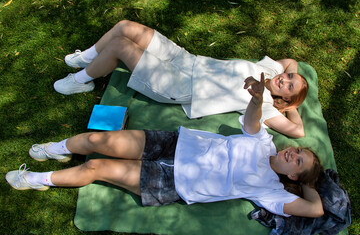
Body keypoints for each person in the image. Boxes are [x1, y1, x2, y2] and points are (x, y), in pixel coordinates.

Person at [6, 74, 324, 218]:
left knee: (95, 166)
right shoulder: (264, 143)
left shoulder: (272, 191)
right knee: (95, 140)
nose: (292, 153)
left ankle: (36, 180)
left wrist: (310, 183)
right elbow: (253, 123)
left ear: (294, 178)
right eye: (298, 151)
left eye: (298, 162)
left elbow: (315, 209)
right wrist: (257, 99)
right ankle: (56, 148)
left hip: (174, 183)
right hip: (174, 144)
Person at [53, 20, 307, 138]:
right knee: (126, 27)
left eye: (289, 86)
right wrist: (288, 80)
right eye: (289, 77)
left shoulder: (266, 106)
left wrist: (291, 106)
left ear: (285, 97)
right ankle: (88, 59)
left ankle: (80, 81)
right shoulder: (271, 71)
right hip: (187, 60)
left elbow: (297, 131)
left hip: (179, 86)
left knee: (121, 45)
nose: (284, 79)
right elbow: (291, 63)